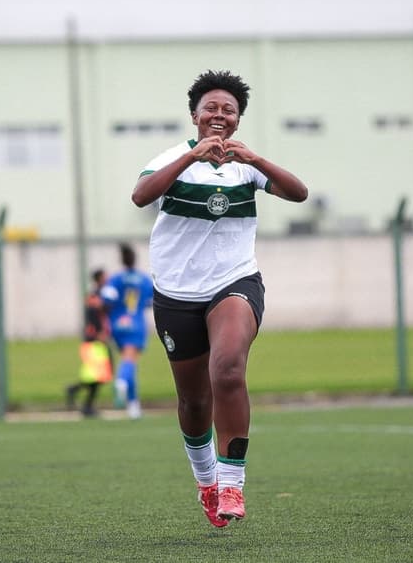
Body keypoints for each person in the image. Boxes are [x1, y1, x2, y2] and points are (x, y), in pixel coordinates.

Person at [131, 70, 308, 526]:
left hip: (234, 282)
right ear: (194, 115)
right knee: (193, 403)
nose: (219, 115)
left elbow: (298, 193)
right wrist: (191, 157)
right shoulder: (175, 157)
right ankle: (207, 480)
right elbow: (140, 195)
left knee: (227, 368)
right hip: (176, 293)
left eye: (228, 110)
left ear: (237, 120)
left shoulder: (246, 165)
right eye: (211, 107)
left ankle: (232, 484)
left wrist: (259, 161)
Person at [101, 243, 154, 419]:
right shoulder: (145, 280)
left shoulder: (115, 279)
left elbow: (106, 298)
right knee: (129, 361)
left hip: (117, 324)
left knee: (128, 360)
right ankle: (121, 381)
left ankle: (133, 405)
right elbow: (151, 301)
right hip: (136, 323)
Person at [66, 268, 114, 417]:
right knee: (97, 376)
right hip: (94, 342)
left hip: (98, 341)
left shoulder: (103, 295)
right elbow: (93, 316)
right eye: (105, 276)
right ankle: (85, 403)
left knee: (100, 375)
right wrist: (100, 333)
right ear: (99, 279)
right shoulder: (94, 297)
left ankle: (77, 393)